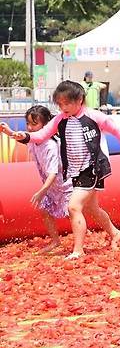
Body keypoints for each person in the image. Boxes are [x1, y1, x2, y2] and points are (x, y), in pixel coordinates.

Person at [8, 81, 120, 260]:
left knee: (74, 206)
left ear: (79, 100)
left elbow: (116, 130)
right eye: (60, 104)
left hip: (92, 168)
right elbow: (42, 135)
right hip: (75, 171)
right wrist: (23, 136)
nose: (63, 107)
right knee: (92, 208)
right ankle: (115, 233)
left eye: (67, 103)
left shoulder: (94, 116)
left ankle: (78, 250)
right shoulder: (60, 119)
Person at [1, 106, 73, 253]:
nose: (30, 128)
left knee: (73, 214)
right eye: (28, 124)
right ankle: (55, 241)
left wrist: (42, 191)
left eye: (34, 124)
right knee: (45, 210)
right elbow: (22, 137)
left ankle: (86, 241)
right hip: (51, 187)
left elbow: (53, 173)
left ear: (46, 125)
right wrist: (8, 132)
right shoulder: (35, 140)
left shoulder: (50, 145)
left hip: (64, 186)